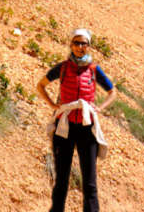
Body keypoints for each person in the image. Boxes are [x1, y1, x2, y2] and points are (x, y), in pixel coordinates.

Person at [37, 27, 116, 212]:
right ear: (71, 44)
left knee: (90, 183)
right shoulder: (63, 67)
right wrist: (52, 105)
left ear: (89, 46)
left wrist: (100, 108)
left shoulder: (94, 69)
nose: (80, 47)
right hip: (64, 127)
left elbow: (112, 92)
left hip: (86, 128)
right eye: (77, 43)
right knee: (61, 180)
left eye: (84, 43)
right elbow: (41, 85)